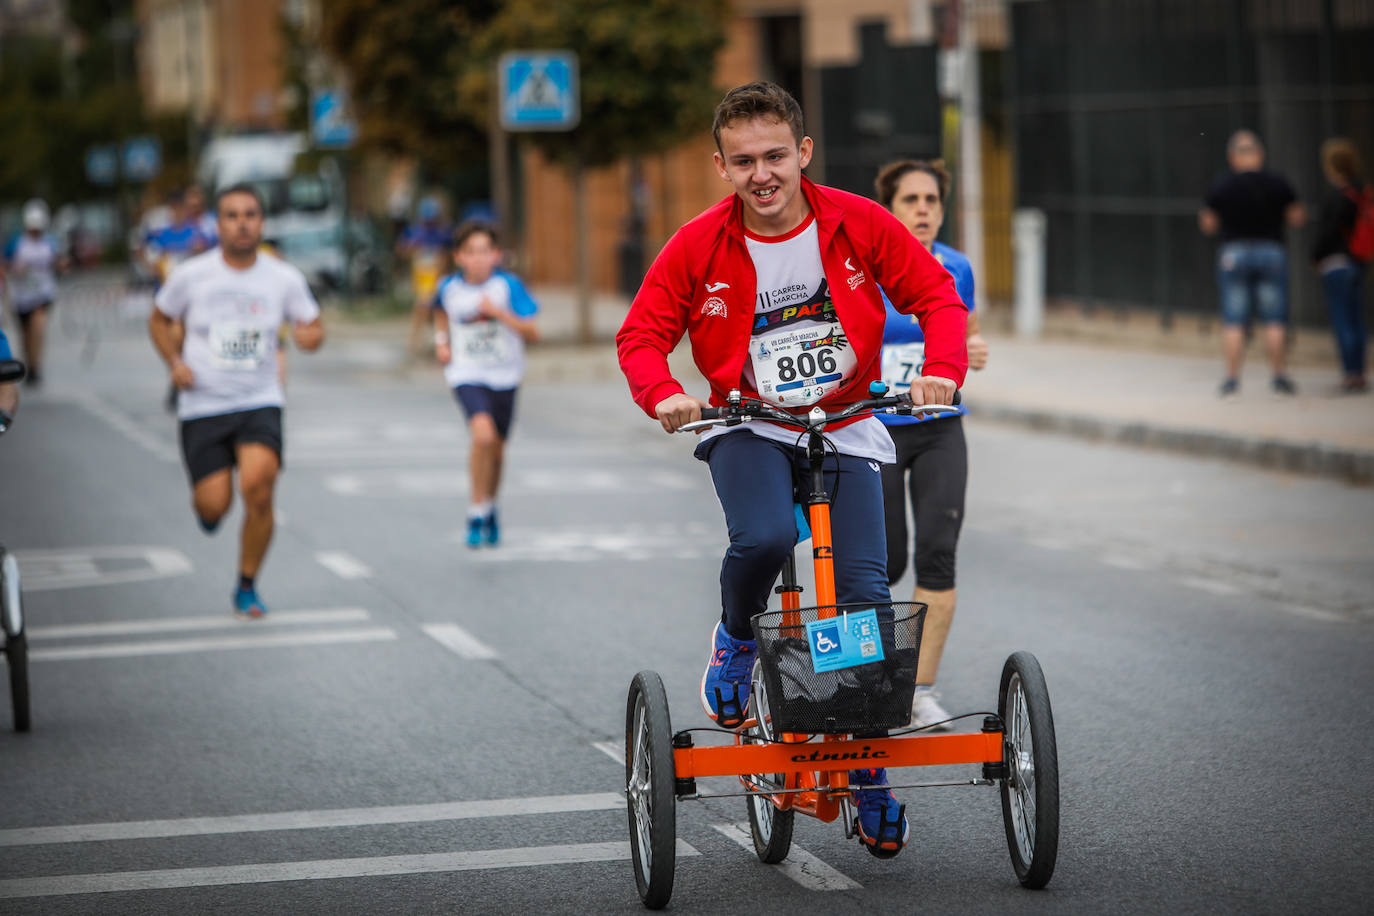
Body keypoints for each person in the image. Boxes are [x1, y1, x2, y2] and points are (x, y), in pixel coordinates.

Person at [616, 82, 968, 855]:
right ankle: (738, 639)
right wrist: (666, 392)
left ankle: (867, 770)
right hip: (747, 423)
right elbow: (641, 334)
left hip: (843, 424)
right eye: (744, 161)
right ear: (721, 166)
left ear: (803, 153)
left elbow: (936, 296)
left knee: (864, 602)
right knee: (768, 537)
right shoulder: (697, 245)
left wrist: (941, 367)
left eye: (776, 155)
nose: (762, 174)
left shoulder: (856, 222)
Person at [148, 183, 325, 617]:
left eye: (250, 214)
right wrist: (173, 361)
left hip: (259, 399)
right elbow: (159, 318)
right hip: (203, 404)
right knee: (215, 504)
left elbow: (313, 326)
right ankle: (209, 510)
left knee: (258, 490)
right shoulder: (192, 275)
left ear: (261, 223)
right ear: (218, 223)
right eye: (232, 215)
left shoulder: (282, 277)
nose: (242, 223)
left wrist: (309, 337)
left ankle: (247, 583)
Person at [872, 159, 988, 729]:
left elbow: (961, 329)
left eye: (931, 201)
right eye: (910, 199)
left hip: (941, 426)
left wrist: (974, 346)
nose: (922, 209)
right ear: (889, 209)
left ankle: (918, 691)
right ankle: (870, 679)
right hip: (879, 431)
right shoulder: (864, 267)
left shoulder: (957, 268)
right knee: (884, 562)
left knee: (937, 554)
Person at [432, 221, 539, 548]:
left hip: (506, 376)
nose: (478, 259)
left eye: (484, 252)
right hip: (467, 373)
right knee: (483, 435)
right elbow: (438, 313)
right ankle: (476, 510)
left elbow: (533, 333)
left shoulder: (508, 287)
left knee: (498, 450)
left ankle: (490, 505)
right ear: (458, 256)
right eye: (470, 252)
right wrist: (442, 342)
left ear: (496, 255)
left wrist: (499, 313)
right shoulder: (448, 287)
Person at [1199, 130, 1305, 396]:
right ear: (1260, 154)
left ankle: (1232, 378)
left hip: (1233, 253)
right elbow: (1297, 218)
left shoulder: (1222, 184)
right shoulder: (1277, 182)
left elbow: (1208, 224)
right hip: (1271, 251)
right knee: (1274, 318)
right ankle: (1279, 376)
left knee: (1234, 319)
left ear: (1232, 157)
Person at [1311, 138, 1369, 393]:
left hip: (1336, 262)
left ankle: (1350, 374)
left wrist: (1315, 256)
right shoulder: (1361, 192)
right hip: (1358, 261)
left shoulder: (1337, 196)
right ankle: (1360, 372)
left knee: (1342, 319)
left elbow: (1329, 232)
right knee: (1357, 319)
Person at [1, 200, 65, 387]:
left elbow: (59, 262)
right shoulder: (16, 242)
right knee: (26, 333)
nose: (35, 232)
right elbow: (4, 265)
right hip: (21, 296)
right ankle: (29, 364)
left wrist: (61, 265)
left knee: (38, 326)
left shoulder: (51, 241)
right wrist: (14, 269)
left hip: (44, 293)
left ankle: (36, 368)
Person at [398, 195, 452, 357]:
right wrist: (412, 249)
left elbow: (450, 253)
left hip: (439, 276)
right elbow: (402, 249)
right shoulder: (416, 232)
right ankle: (416, 343)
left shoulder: (443, 232)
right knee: (422, 308)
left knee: (439, 310)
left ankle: (441, 342)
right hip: (423, 277)